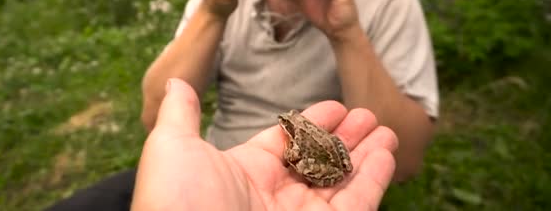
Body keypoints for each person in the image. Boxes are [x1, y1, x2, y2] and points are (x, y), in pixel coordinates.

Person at [46, 0, 439, 209]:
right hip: (208, 174)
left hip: (310, 197)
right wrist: (212, 12)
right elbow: (155, 116)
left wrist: (345, 31)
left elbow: (403, 162)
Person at [131, 78, 398, 210]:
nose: (283, 122)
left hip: (322, 158)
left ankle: (332, 172)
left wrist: (294, 156)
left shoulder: (293, 140)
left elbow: (293, 155)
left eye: (286, 122)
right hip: (334, 153)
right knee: (337, 141)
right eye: (286, 121)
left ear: (291, 126)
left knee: (302, 161)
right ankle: (340, 166)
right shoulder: (306, 127)